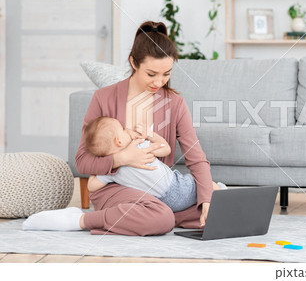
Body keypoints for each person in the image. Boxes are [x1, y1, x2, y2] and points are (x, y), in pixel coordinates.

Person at [23, 21, 217, 235]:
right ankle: (82, 220)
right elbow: (82, 161)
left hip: (160, 191)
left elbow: (196, 157)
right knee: (160, 219)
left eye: (166, 74)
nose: (159, 82)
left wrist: (206, 200)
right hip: (116, 189)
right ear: (134, 63)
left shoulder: (175, 103)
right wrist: (122, 159)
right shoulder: (104, 98)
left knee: (218, 204)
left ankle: (172, 214)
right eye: (151, 74)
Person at [84, 116, 225, 212]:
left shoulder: (112, 172)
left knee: (196, 198)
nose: (126, 130)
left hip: (161, 203)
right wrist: (148, 134)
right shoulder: (138, 147)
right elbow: (165, 148)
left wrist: (101, 168)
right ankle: (223, 193)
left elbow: (91, 185)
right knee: (206, 184)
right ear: (118, 141)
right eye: (122, 129)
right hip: (177, 187)